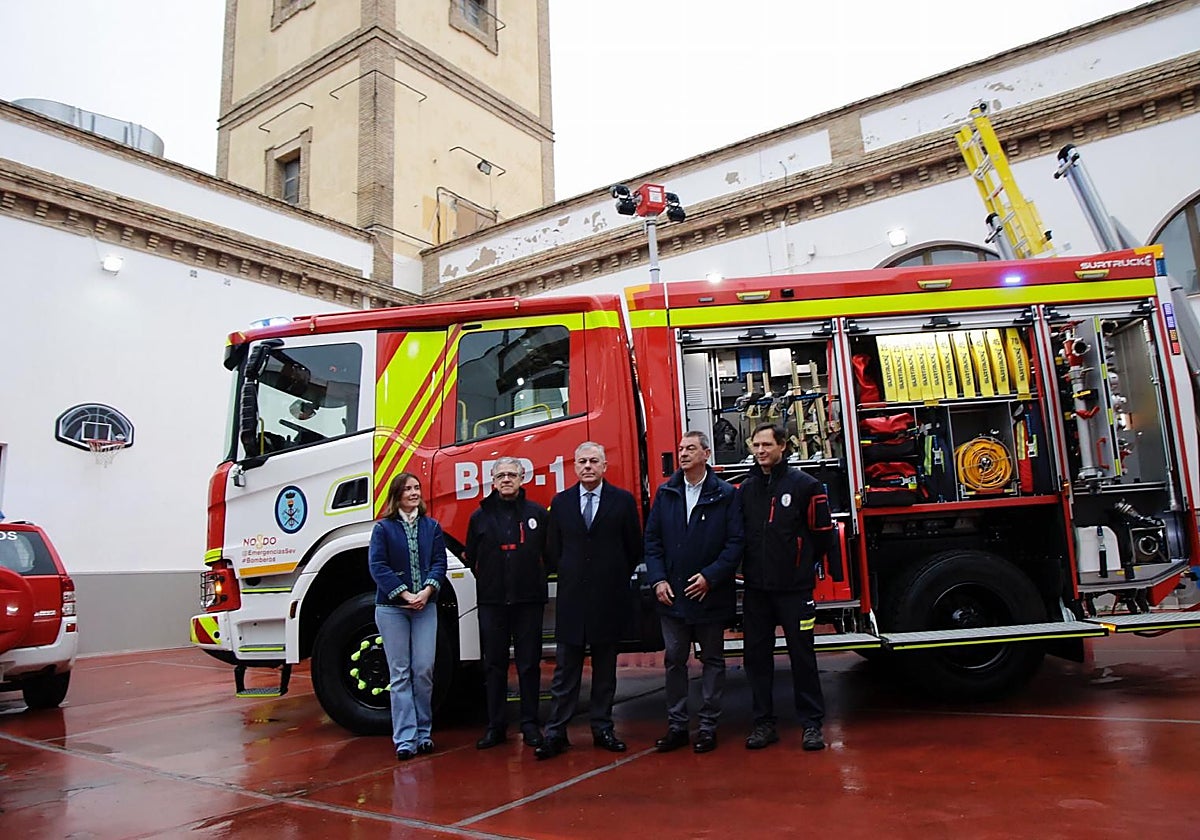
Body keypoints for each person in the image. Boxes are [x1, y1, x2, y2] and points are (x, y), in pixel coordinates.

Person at [535, 442, 642, 760]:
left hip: (608, 599)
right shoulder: (562, 503)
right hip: (572, 600)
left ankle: (603, 728)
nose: (588, 466)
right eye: (582, 461)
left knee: (605, 671)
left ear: (605, 466)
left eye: (594, 461)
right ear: (575, 466)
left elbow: (632, 547)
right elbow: (553, 551)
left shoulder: (622, 502)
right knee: (565, 671)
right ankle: (556, 732)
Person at [644, 430, 743, 754]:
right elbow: (653, 541)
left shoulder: (725, 494)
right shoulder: (666, 493)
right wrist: (658, 580)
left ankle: (708, 727)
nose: (683, 453)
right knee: (674, 659)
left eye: (690, 448)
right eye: (681, 448)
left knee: (712, 659)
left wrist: (711, 578)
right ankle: (676, 727)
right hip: (672, 597)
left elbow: (735, 544)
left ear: (706, 454)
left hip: (709, 595)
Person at [738, 422, 834, 752]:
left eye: (767, 445)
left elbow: (822, 534)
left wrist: (801, 565)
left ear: (782, 447)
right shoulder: (746, 490)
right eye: (756, 445)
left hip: (794, 591)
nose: (761, 451)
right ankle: (764, 724)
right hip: (757, 592)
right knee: (757, 658)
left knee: (802, 657)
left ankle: (811, 725)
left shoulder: (806, 485)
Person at [464, 457, 550, 750]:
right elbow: (471, 557)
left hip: (528, 601)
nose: (506, 479)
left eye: (512, 474)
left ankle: (530, 724)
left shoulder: (537, 513)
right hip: (492, 602)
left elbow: (549, 554)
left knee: (529, 665)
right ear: (492, 479)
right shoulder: (479, 517)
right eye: (500, 475)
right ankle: (496, 726)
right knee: (494, 666)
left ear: (522, 477)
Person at [368, 472, 448, 761]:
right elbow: (378, 566)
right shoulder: (383, 529)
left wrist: (427, 592)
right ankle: (405, 738)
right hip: (392, 610)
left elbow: (440, 562)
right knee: (399, 673)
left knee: (424, 669)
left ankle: (424, 732)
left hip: (426, 607)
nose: (414, 493)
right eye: (408, 489)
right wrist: (404, 594)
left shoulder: (432, 527)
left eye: (416, 488)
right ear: (397, 494)